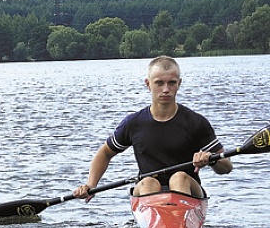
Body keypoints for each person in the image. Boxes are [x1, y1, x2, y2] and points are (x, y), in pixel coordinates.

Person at [73, 55, 232, 202]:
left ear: (179, 84)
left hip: (188, 190)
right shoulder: (133, 123)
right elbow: (105, 153)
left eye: (171, 83)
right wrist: (91, 184)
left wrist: (211, 159)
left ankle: (176, 223)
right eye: (159, 83)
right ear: (148, 84)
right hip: (148, 189)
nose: (165, 89)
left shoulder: (196, 122)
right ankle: (159, 224)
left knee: (179, 178)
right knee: (148, 182)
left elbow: (226, 167)